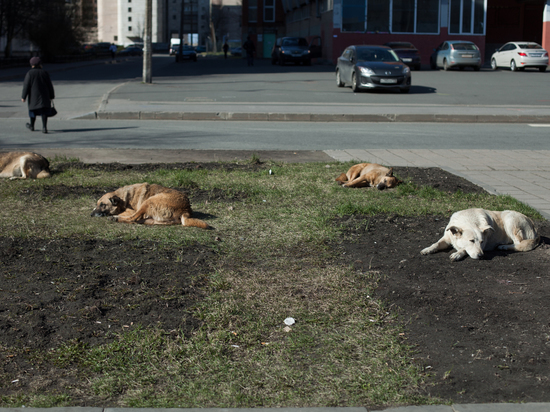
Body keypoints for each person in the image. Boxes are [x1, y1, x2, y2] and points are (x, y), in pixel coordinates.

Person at [21, 56, 55, 134]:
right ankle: (44, 127)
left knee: (33, 111)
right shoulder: (44, 73)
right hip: (44, 96)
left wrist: (23, 97)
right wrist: (52, 95)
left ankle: (32, 126)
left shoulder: (30, 73)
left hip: (33, 97)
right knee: (44, 112)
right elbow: (50, 85)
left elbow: (26, 85)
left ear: (31, 64)